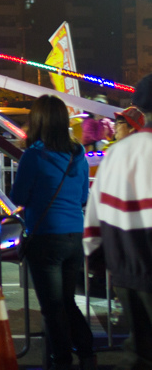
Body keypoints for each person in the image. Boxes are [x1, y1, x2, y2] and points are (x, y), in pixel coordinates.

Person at [11, 95, 95, 370]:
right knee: (66, 301)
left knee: (52, 307)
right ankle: (86, 352)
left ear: (38, 121)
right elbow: (83, 195)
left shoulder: (34, 155)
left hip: (46, 236)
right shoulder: (78, 154)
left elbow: (19, 196)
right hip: (74, 236)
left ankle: (62, 360)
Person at [84, 74, 152, 370]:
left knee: (139, 349)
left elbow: (93, 223)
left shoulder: (116, 154)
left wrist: (100, 263)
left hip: (124, 271)